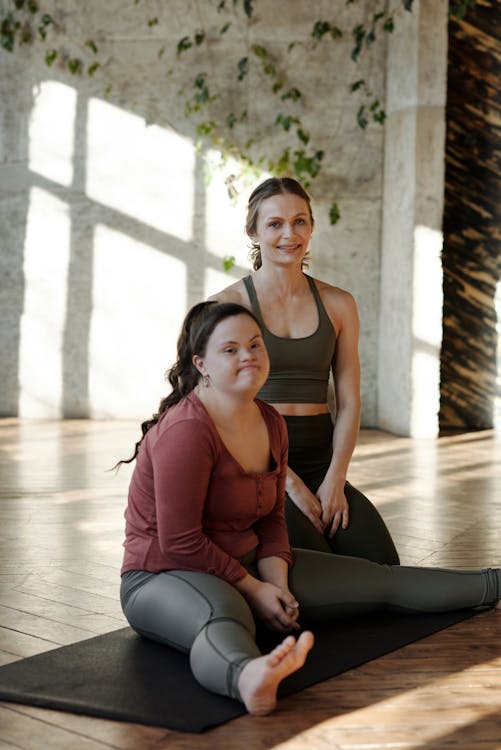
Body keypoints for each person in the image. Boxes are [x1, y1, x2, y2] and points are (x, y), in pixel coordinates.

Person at [119, 301, 500, 716]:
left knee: (379, 580)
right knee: (223, 615)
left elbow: (271, 518)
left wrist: (277, 583)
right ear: (201, 364)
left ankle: (493, 583)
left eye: (255, 345)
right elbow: (179, 542)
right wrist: (254, 590)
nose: (248, 355)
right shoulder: (187, 430)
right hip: (165, 573)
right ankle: (249, 678)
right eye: (230, 350)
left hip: (244, 562)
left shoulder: (270, 421)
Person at [209, 176, 399, 564]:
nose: (289, 234)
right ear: (253, 231)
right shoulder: (226, 307)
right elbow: (219, 411)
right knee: (321, 566)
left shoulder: (339, 304)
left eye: (299, 222)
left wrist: (335, 480)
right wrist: (287, 483)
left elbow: (348, 401)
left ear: (311, 227)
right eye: (275, 224)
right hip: (260, 466)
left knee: (382, 564)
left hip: (321, 460)